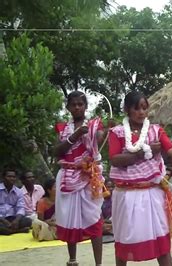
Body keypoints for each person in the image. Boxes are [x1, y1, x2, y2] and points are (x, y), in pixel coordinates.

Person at [108, 91, 172, 266]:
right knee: (125, 238)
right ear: (126, 109)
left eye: (144, 108)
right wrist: (142, 154)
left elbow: (171, 149)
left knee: (161, 240)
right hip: (127, 195)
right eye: (136, 108)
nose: (141, 112)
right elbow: (115, 159)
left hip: (152, 193)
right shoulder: (117, 132)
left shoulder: (155, 130)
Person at [54, 91, 108, 266]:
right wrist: (76, 135)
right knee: (70, 218)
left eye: (81, 104)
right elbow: (57, 151)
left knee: (94, 218)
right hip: (67, 177)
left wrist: (103, 131)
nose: (77, 107)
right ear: (68, 107)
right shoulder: (62, 128)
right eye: (74, 104)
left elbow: (99, 139)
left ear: (86, 106)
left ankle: (98, 263)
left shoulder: (94, 125)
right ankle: (72, 260)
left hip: (88, 177)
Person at [0, 168, 32, 235]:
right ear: (3, 178)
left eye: (13, 177)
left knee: (28, 221)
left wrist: (16, 221)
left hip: (12, 218)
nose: (11, 179)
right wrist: (4, 221)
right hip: (1, 219)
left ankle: (9, 231)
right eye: (9, 176)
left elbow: (21, 208)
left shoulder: (19, 192)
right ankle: (17, 231)